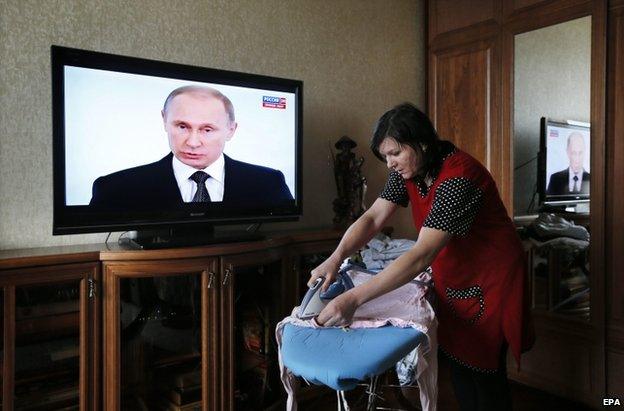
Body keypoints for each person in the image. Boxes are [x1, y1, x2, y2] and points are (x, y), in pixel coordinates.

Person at [309, 103, 534, 411]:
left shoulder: (459, 177)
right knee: (458, 362)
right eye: (385, 156)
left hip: (491, 277)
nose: (389, 163)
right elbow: (373, 218)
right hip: (456, 273)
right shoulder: (409, 172)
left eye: (395, 153)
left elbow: (421, 254)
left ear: (422, 143)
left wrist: (353, 299)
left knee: (485, 370)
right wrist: (335, 257)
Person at [89, 85, 293, 207]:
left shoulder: (269, 183)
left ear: (231, 130)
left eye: (207, 129)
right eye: (182, 126)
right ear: (164, 120)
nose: (193, 143)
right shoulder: (114, 189)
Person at [546, 131, 590, 195]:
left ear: (584, 152)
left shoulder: (593, 180)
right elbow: (549, 203)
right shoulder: (555, 179)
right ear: (568, 152)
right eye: (574, 153)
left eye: (580, 153)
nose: (577, 158)